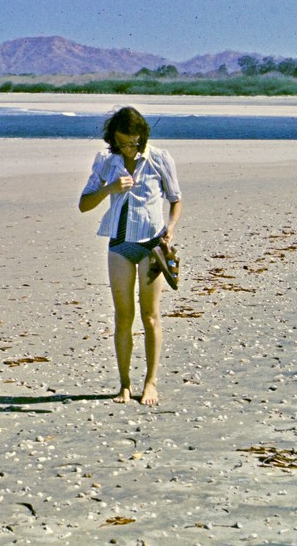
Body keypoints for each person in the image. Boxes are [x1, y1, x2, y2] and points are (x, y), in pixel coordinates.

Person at [79, 106, 183, 405]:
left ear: (142, 137)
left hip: (152, 246)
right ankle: (124, 384)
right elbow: (84, 204)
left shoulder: (159, 158)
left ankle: (151, 382)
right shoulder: (105, 161)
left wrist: (171, 228)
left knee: (150, 316)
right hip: (119, 245)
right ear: (113, 138)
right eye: (122, 143)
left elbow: (175, 200)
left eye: (133, 143)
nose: (128, 149)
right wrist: (110, 188)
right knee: (123, 316)